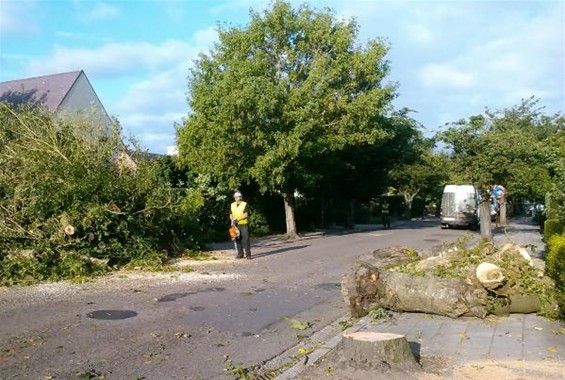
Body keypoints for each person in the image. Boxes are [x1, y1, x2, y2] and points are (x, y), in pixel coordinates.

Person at [230, 191, 251, 259]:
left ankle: (248, 254)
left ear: (241, 197)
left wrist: (238, 219)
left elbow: (246, 215)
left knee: (245, 239)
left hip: (243, 223)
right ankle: (240, 254)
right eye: (236, 197)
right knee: (237, 239)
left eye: (238, 197)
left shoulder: (244, 204)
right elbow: (230, 214)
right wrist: (232, 220)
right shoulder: (232, 204)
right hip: (235, 224)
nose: (237, 198)